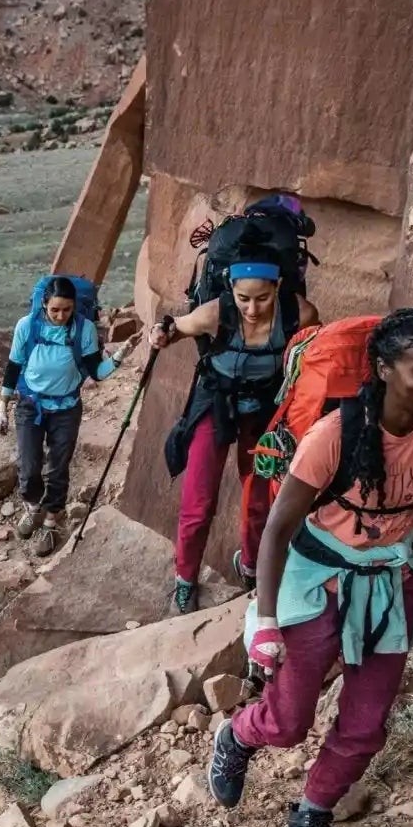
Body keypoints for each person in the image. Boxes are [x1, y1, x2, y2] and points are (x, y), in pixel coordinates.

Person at [205, 308, 413, 827]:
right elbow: (278, 530)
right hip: (319, 584)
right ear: (385, 369)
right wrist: (266, 622)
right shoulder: (332, 437)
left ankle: (310, 818)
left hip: (385, 585)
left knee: (366, 723)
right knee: (288, 722)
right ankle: (240, 736)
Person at [149, 255, 320, 612]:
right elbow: (176, 327)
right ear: (231, 291)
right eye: (243, 298)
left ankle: (253, 564)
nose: (252, 309)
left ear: (278, 287)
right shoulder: (214, 312)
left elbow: (314, 351)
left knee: (259, 499)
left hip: (264, 408)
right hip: (216, 402)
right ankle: (185, 578)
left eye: (262, 298)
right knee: (199, 500)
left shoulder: (298, 312)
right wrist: (161, 334)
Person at [0, 274, 136, 557]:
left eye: (67, 310)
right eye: (55, 310)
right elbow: (13, 367)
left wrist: (120, 356)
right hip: (30, 404)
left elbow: (97, 372)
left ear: (75, 307)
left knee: (58, 466)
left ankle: (51, 521)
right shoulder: (27, 326)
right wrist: (2, 407)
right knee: (28, 464)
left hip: (67, 409)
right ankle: (33, 507)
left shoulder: (83, 330)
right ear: (43, 305)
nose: (61, 316)